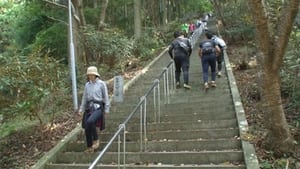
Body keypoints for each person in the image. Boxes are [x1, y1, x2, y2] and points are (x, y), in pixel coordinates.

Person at [77, 66, 110, 153]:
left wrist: (107, 108)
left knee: (90, 121)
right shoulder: (87, 85)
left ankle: (96, 139)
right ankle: (89, 147)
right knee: (87, 127)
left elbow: (106, 97)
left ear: (95, 75)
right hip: (89, 107)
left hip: (98, 107)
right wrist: (81, 109)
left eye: (92, 75)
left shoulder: (101, 84)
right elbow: (84, 98)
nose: (90, 77)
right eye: (89, 75)